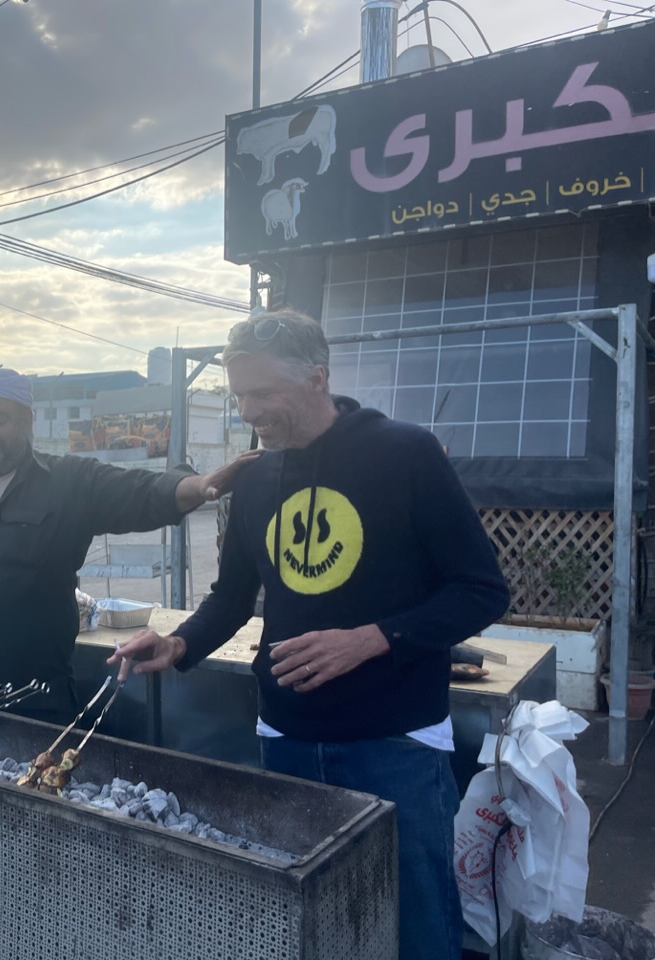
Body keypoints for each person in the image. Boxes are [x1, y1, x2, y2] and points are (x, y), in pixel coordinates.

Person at [108, 308, 509, 960]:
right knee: (316, 919)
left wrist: (372, 637)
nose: (248, 411)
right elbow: (232, 597)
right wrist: (179, 643)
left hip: (395, 738)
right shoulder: (259, 478)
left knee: (417, 919)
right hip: (285, 736)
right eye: (239, 395)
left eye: (263, 394)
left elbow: (481, 590)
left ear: (318, 377)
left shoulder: (404, 453)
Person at [0, 366, 262, 724]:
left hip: (32, 710)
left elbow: (137, 491)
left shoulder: (68, 482)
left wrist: (198, 485)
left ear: (26, 422)